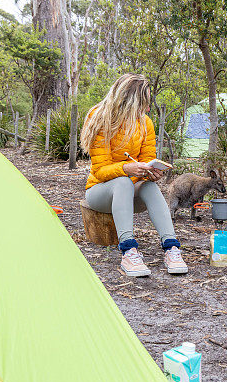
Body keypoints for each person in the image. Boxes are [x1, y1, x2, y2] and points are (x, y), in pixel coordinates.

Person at [80, 73, 188, 277]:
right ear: (129, 100)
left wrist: (150, 173)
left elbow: (147, 159)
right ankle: (128, 251)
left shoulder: (145, 123)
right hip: (99, 192)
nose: (147, 109)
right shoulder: (99, 118)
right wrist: (126, 169)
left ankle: (171, 248)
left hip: (131, 191)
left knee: (149, 186)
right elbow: (100, 171)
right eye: (144, 102)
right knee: (122, 182)